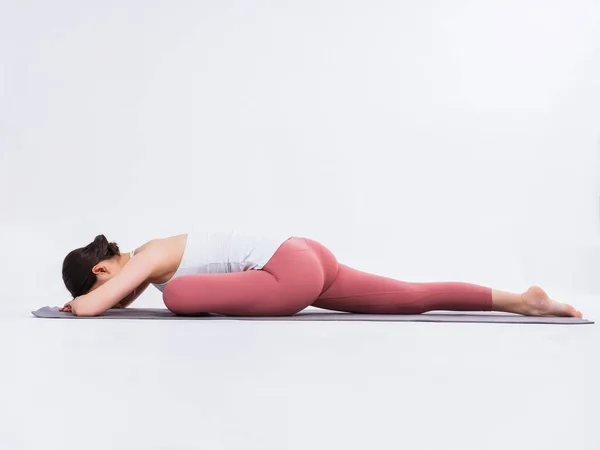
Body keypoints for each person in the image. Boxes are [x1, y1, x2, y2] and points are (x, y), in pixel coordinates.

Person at [60, 231, 583, 318]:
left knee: (179, 297)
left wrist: (80, 304)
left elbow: (91, 306)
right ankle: (524, 301)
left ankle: (523, 300)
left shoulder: (150, 255)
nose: (116, 296)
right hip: (305, 253)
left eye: (103, 286)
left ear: (104, 269)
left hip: (288, 268)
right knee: (410, 296)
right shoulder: (157, 256)